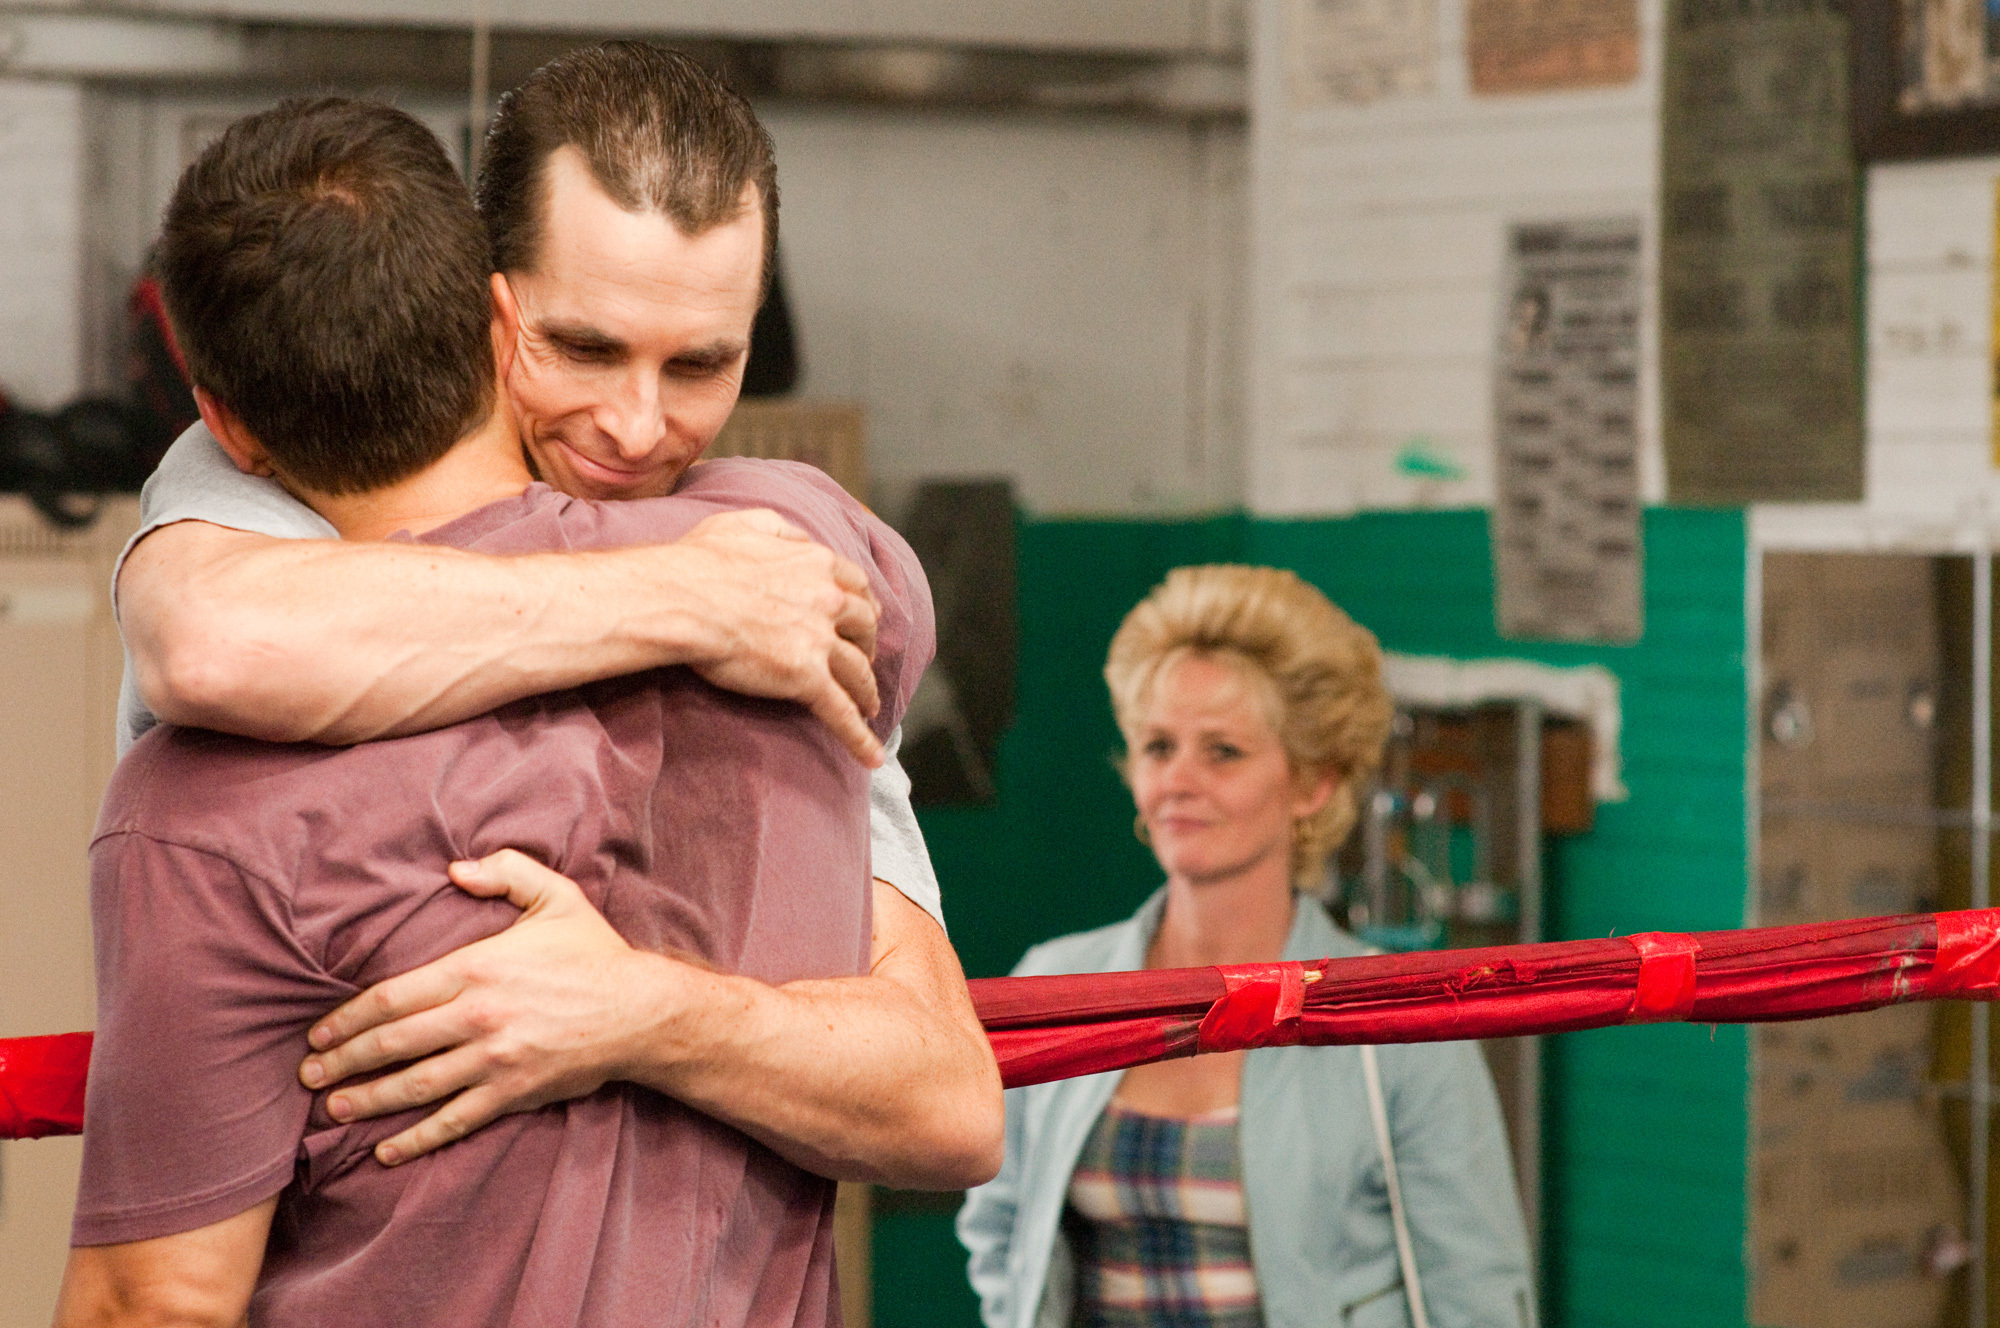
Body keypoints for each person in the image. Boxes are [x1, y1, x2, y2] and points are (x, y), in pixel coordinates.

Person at [55, 96, 997, 1328]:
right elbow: (212, 637)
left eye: (702, 363)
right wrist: (678, 593)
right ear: (496, 315)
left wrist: (644, 1011)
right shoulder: (803, 561)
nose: (635, 426)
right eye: (587, 349)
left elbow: (947, 1099)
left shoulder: (778, 587)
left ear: (226, 416)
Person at [956, 566, 1535, 1328]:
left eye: (1223, 752)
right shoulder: (1058, 985)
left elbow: (1477, 1291)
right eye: (1158, 747)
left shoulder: (1401, 1028)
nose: (1179, 781)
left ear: (1313, 784)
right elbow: (1001, 1229)